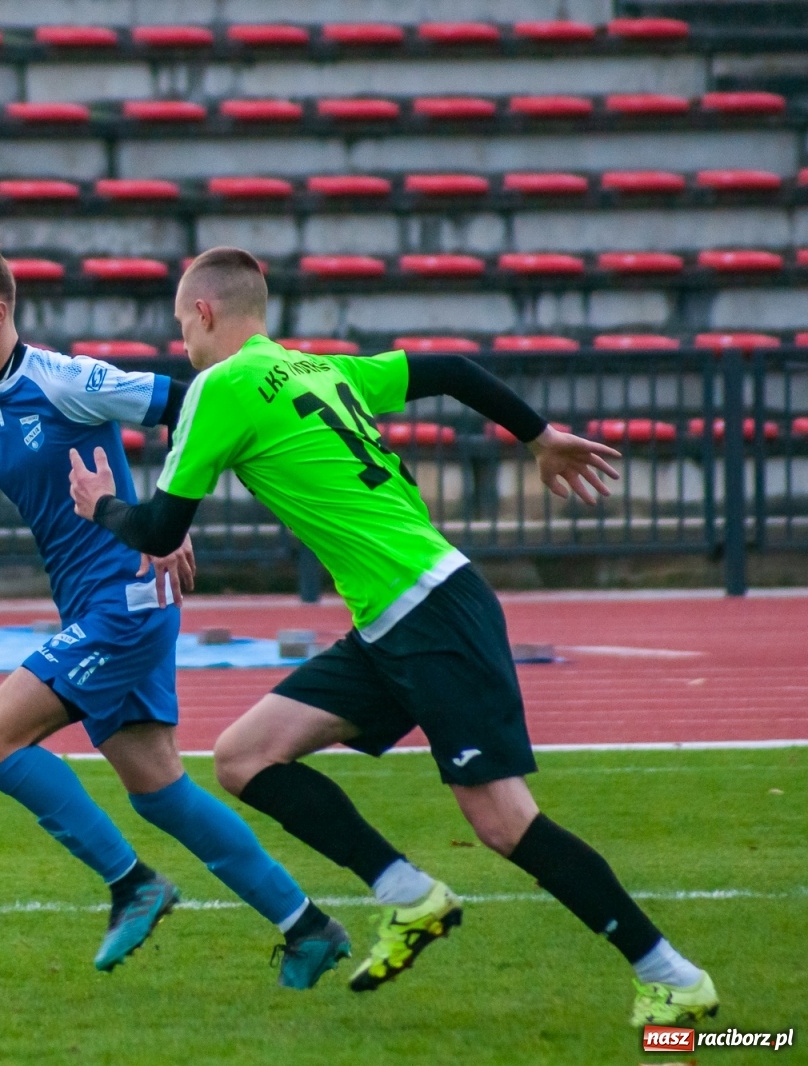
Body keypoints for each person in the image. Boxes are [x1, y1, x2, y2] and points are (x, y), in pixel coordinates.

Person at [68, 245, 719, 1026]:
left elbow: (159, 526)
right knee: (245, 756)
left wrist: (101, 506)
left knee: (502, 821)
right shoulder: (320, 368)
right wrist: (537, 433)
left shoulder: (220, 387)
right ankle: (409, 895)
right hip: (395, 619)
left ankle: (670, 972)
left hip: (431, 610)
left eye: (183, 327)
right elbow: (447, 367)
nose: (184, 346)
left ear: (204, 313)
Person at [0, 234, 350, 987]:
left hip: (123, 606)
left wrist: (162, 520)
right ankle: (308, 927)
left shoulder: (65, 380)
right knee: (161, 792)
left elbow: (199, 402)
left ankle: (133, 886)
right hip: (104, 606)